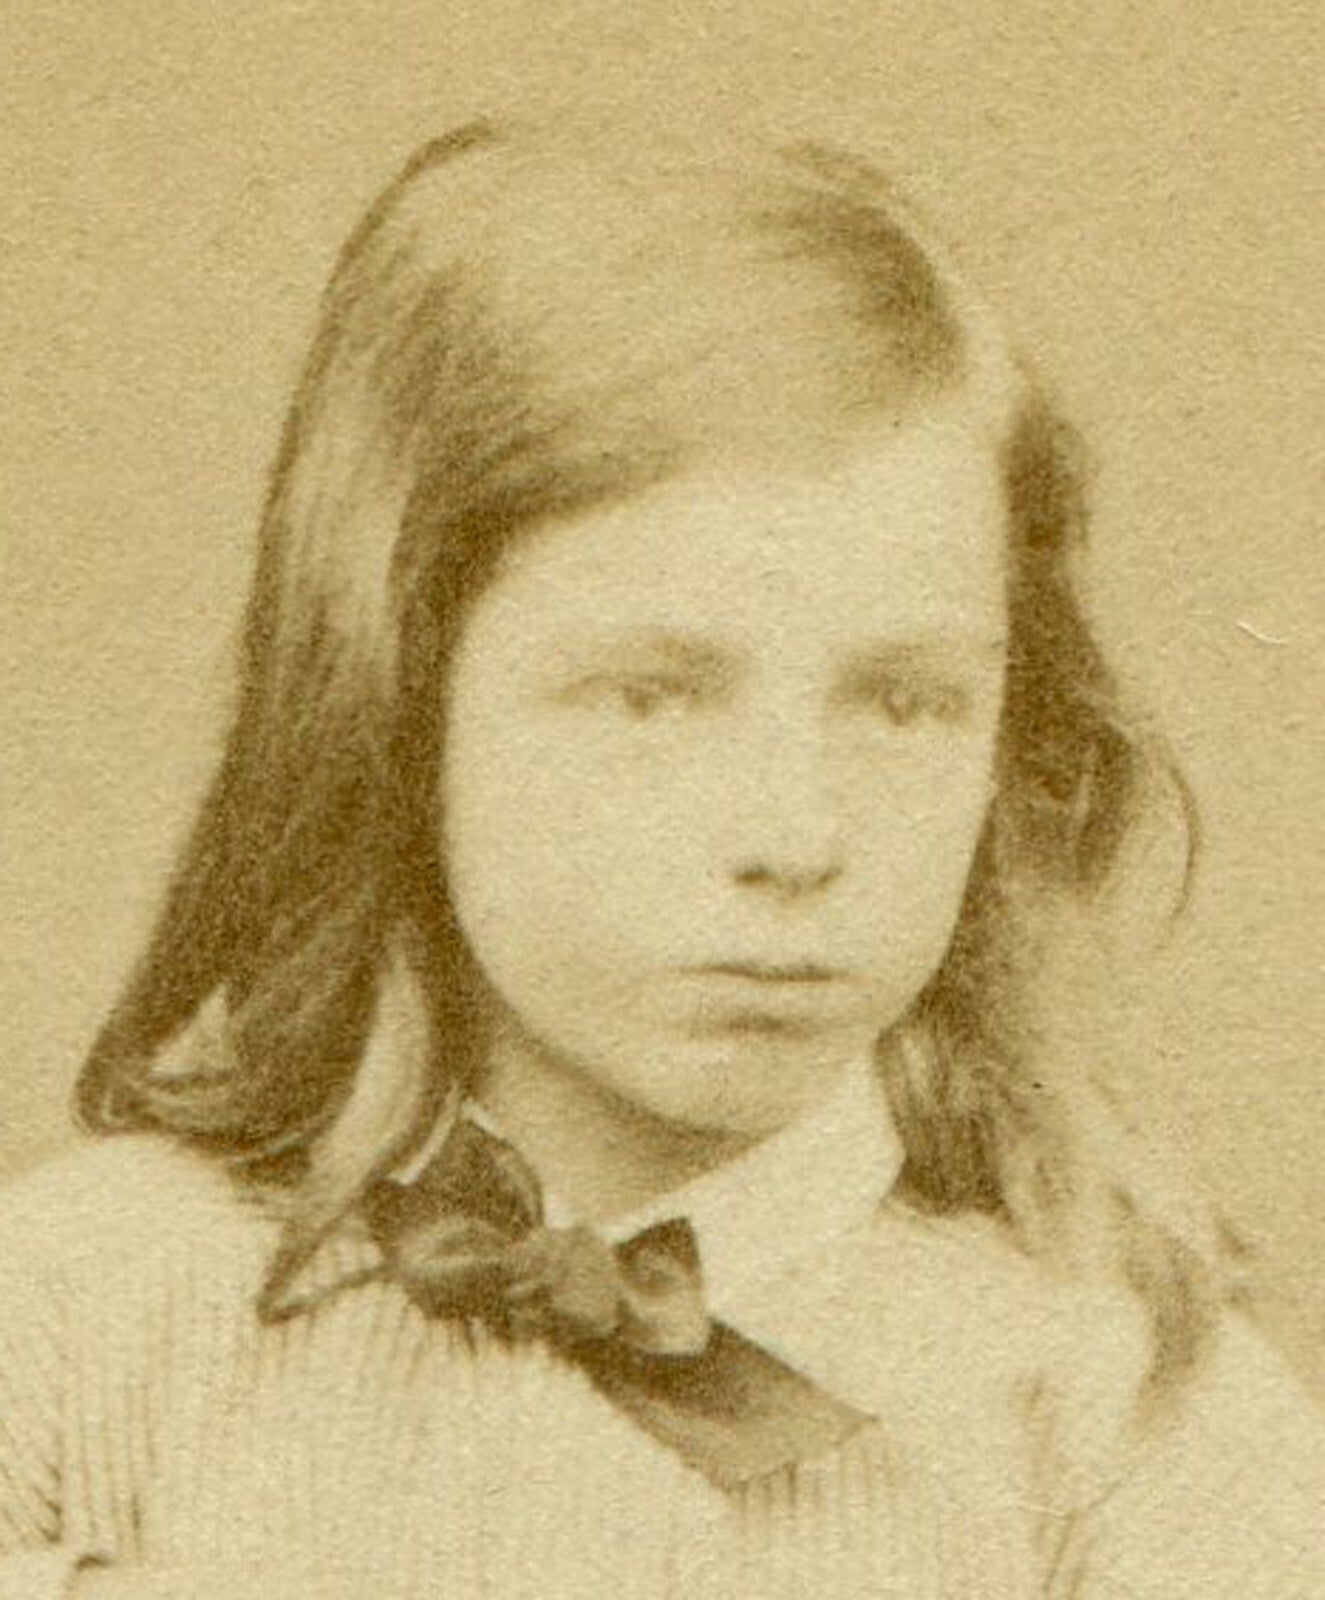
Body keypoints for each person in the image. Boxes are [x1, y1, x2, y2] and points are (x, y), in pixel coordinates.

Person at [1, 112, 1320, 1600]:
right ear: (396, 702)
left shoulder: (1123, 1416)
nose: (794, 836)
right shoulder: (67, 1321)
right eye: (649, 696)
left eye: (903, 702)